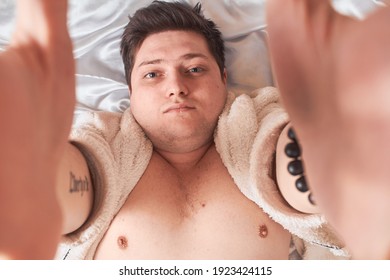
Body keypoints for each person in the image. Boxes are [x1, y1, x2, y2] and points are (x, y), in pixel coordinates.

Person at [0, 0, 389, 260]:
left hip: (327, 158)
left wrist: (320, 149)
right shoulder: (103, 146)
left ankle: (350, 154)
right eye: (153, 74)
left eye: (195, 68)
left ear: (223, 77)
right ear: (130, 92)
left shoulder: (259, 133)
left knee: (317, 155)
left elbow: (285, 170)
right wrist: (33, 170)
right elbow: (77, 183)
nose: (176, 86)